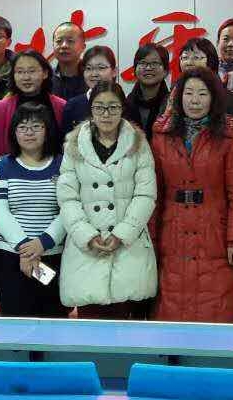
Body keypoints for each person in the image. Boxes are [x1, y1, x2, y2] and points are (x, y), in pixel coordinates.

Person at [150, 69, 233, 323]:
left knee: (216, 306)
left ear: (213, 98)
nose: (195, 100)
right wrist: (151, 239)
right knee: (173, 304)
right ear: (178, 97)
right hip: (173, 230)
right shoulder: (161, 134)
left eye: (203, 94)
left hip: (215, 232)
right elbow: (154, 194)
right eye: (189, 93)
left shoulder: (228, 136)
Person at [58, 83, 159, 320]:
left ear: (122, 109)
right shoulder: (74, 144)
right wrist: (87, 235)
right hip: (86, 248)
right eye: (99, 107)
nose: (106, 114)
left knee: (127, 323)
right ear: (91, 110)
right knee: (90, 322)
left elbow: (145, 195)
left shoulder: (138, 143)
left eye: (113, 107)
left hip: (128, 246)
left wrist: (122, 234)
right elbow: (67, 197)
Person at [0, 102, 67, 318]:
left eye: (36, 126)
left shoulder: (63, 165)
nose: (29, 132)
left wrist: (42, 243)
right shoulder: (1, 165)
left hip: (51, 254)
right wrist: (26, 249)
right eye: (22, 127)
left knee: (53, 320)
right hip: (10, 257)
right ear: (14, 133)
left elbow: (69, 210)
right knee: (15, 324)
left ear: (47, 130)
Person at [0, 51, 67, 172]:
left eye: (32, 71)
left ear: (45, 73)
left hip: (56, 174)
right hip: (12, 176)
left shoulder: (62, 106)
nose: (26, 77)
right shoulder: (0, 108)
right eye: (20, 72)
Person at [61, 46, 118, 134]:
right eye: (88, 68)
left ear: (114, 71)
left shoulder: (124, 104)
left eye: (101, 68)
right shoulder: (72, 106)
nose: (94, 74)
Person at [124, 44, 171, 140]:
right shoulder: (125, 103)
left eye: (155, 63)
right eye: (143, 63)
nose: (148, 68)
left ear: (165, 71)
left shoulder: (173, 105)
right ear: (135, 69)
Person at [50, 22, 88, 100]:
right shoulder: (46, 78)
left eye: (70, 41)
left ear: (83, 47)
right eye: (59, 41)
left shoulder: (92, 77)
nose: (64, 45)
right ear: (53, 46)